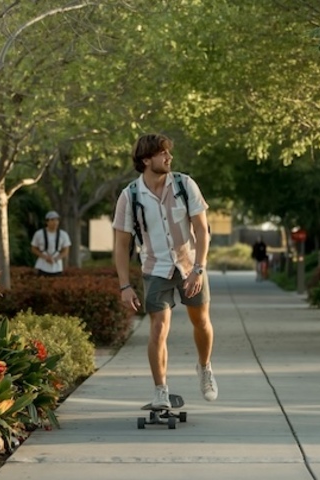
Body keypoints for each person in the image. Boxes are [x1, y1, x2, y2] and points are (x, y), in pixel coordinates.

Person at [112, 133, 218, 409]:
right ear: (146, 160)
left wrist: (199, 268)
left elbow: (202, 230)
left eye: (168, 153)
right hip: (155, 268)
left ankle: (205, 368)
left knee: (201, 321)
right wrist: (125, 286)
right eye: (162, 154)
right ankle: (161, 390)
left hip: (190, 265)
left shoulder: (185, 185)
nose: (169, 157)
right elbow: (121, 246)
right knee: (158, 329)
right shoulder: (130, 196)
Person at [31, 211, 71, 276]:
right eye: (52, 220)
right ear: (47, 222)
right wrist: (45, 257)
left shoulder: (63, 235)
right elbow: (34, 249)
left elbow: (66, 251)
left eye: (57, 220)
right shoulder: (39, 234)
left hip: (57, 267)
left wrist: (56, 259)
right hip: (42, 266)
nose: (55, 223)